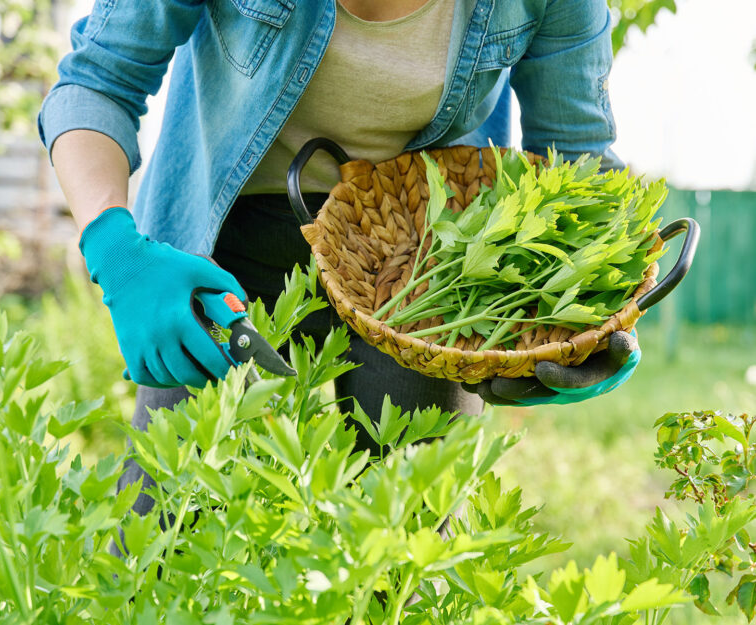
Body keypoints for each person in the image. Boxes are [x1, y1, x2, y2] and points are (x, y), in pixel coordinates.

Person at [39, 0, 641, 518]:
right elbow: (97, 80)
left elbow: (579, 162)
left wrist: (600, 315)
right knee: (164, 526)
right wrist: (117, 250)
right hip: (224, 242)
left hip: (431, 269)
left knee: (406, 548)